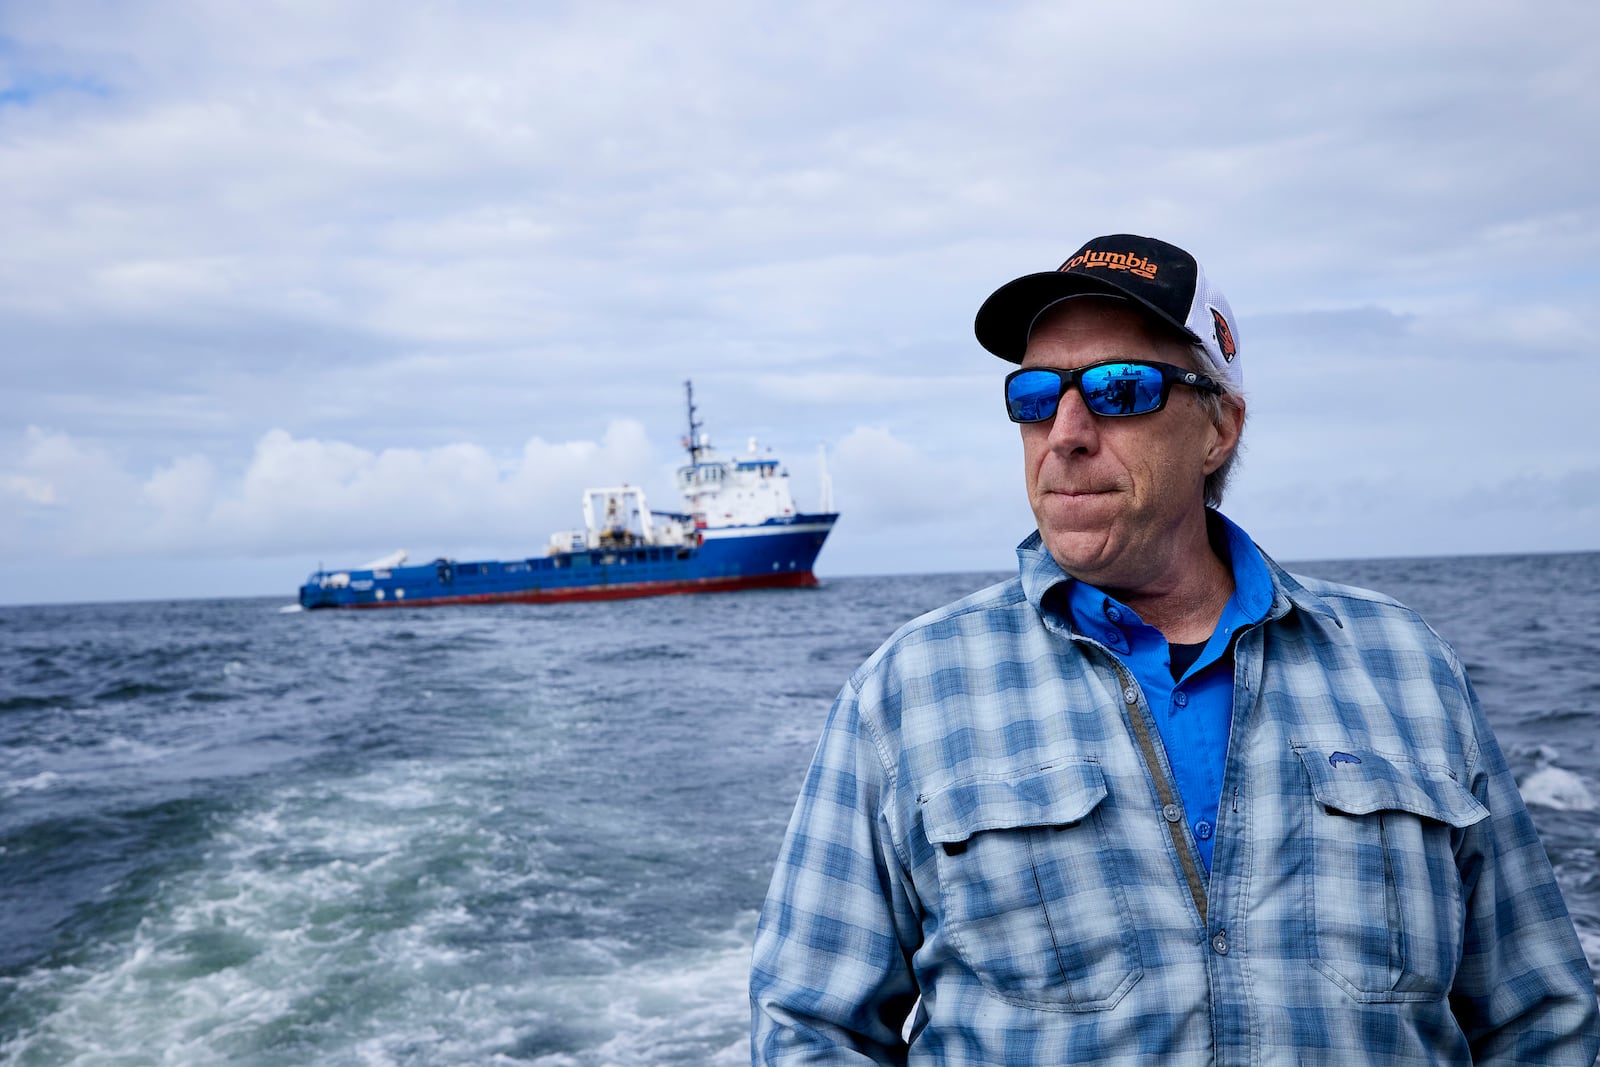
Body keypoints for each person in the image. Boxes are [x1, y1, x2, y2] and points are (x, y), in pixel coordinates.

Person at [749, 234, 1599, 1064]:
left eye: (1121, 390)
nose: (1067, 430)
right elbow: (810, 1027)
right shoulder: (906, 691)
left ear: (1218, 427)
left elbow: (1541, 1016)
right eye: (1035, 395)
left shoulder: (1411, 670)